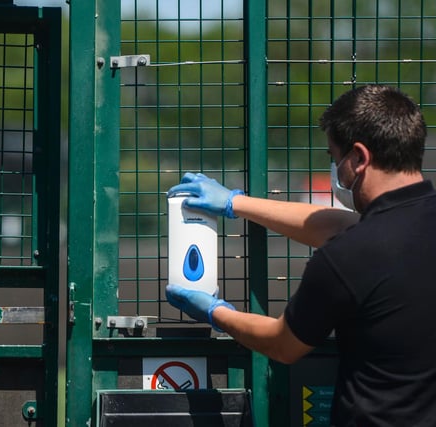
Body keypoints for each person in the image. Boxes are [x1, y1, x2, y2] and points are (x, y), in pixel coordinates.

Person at [166, 84, 436, 426]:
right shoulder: (373, 238)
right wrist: (237, 204)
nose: (336, 171)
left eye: (334, 158)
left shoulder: (349, 255)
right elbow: (341, 226)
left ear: (358, 158)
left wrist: (215, 312)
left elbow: (283, 345)